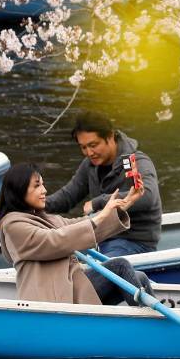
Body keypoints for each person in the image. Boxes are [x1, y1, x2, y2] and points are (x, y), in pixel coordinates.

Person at [0, 162, 154, 306]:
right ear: (19, 190)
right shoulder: (12, 225)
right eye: (37, 186)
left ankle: (154, 326)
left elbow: (79, 226)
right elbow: (55, 240)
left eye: (43, 184)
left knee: (139, 278)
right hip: (52, 300)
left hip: (71, 287)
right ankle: (150, 327)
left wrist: (124, 205)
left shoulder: (43, 217)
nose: (44, 190)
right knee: (120, 266)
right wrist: (101, 215)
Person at [45, 110, 162, 257]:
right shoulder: (90, 165)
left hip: (132, 241)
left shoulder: (130, 161)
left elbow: (147, 196)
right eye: (83, 147)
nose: (89, 152)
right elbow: (67, 196)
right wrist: (31, 205)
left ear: (110, 136)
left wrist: (99, 202)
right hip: (100, 237)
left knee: (102, 269)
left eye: (93, 145)